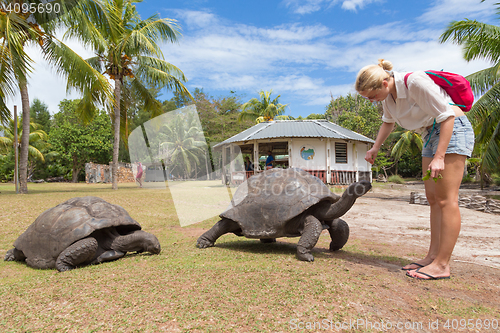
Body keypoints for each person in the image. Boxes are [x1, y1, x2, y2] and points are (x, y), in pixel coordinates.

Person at [355, 59, 474, 280]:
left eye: (371, 95)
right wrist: (375, 148)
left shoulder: (415, 82)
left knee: (447, 199)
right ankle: (432, 257)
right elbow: (388, 122)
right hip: (429, 134)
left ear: (384, 82)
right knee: (433, 198)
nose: (370, 100)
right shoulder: (388, 97)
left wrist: (440, 156)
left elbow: (446, 115)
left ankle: (442, 264)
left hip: (452, 129)